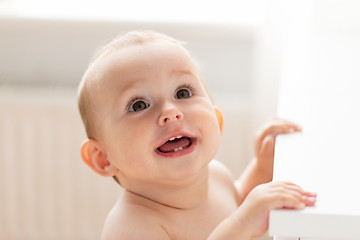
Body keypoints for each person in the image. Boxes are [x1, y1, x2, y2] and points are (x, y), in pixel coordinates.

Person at [77, 30, 316, 240]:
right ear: (103, 158)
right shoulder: (132, 226)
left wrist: (264, 165)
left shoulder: (216, 174)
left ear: (217, 121)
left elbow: (240, 203)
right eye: (139, 105)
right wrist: (242, 224)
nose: (171, 112)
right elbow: (243, 218)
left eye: (182, 93)